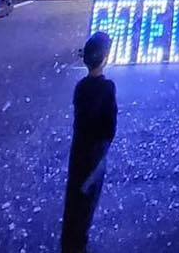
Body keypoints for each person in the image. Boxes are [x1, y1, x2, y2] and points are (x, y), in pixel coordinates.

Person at [61, 31, 117, 253]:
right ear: (105, 58)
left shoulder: (81, 87)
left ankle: (70, 241)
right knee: (89, 198)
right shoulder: (107, 87)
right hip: (96, 151)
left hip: (79, 149)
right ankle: (79, 242)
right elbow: (110, 124)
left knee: (75, 196)